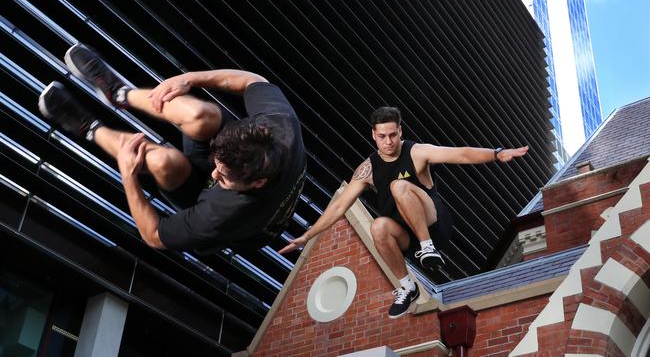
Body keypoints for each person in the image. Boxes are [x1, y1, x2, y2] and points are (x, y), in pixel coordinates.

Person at [38, 43, 306, 254]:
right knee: (202, 116)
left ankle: (89, 128)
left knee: (163, 162)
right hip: (246, 176)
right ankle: (119, 93)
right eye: (218, 167)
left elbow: (154, 236)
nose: (214, 174)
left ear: (257, 182)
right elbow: (252, 81)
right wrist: (189, 79)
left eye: (222, 177)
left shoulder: (222, 216)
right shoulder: (280, 126)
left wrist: (129, 176)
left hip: (225, 211)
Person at [279, 106, 528, 318]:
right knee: (377, 226)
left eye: (393, 135)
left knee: (398, 185)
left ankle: (427, 246)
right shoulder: (367, 169)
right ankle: (407, 287)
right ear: (374, 136)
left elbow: (459, 153)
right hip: (406, 237)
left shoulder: (416, 152)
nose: (388, 142)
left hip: (434, 223)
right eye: (382, 136)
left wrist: (497, 153)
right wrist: (307, 235)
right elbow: (339, 206)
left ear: (400, 131)